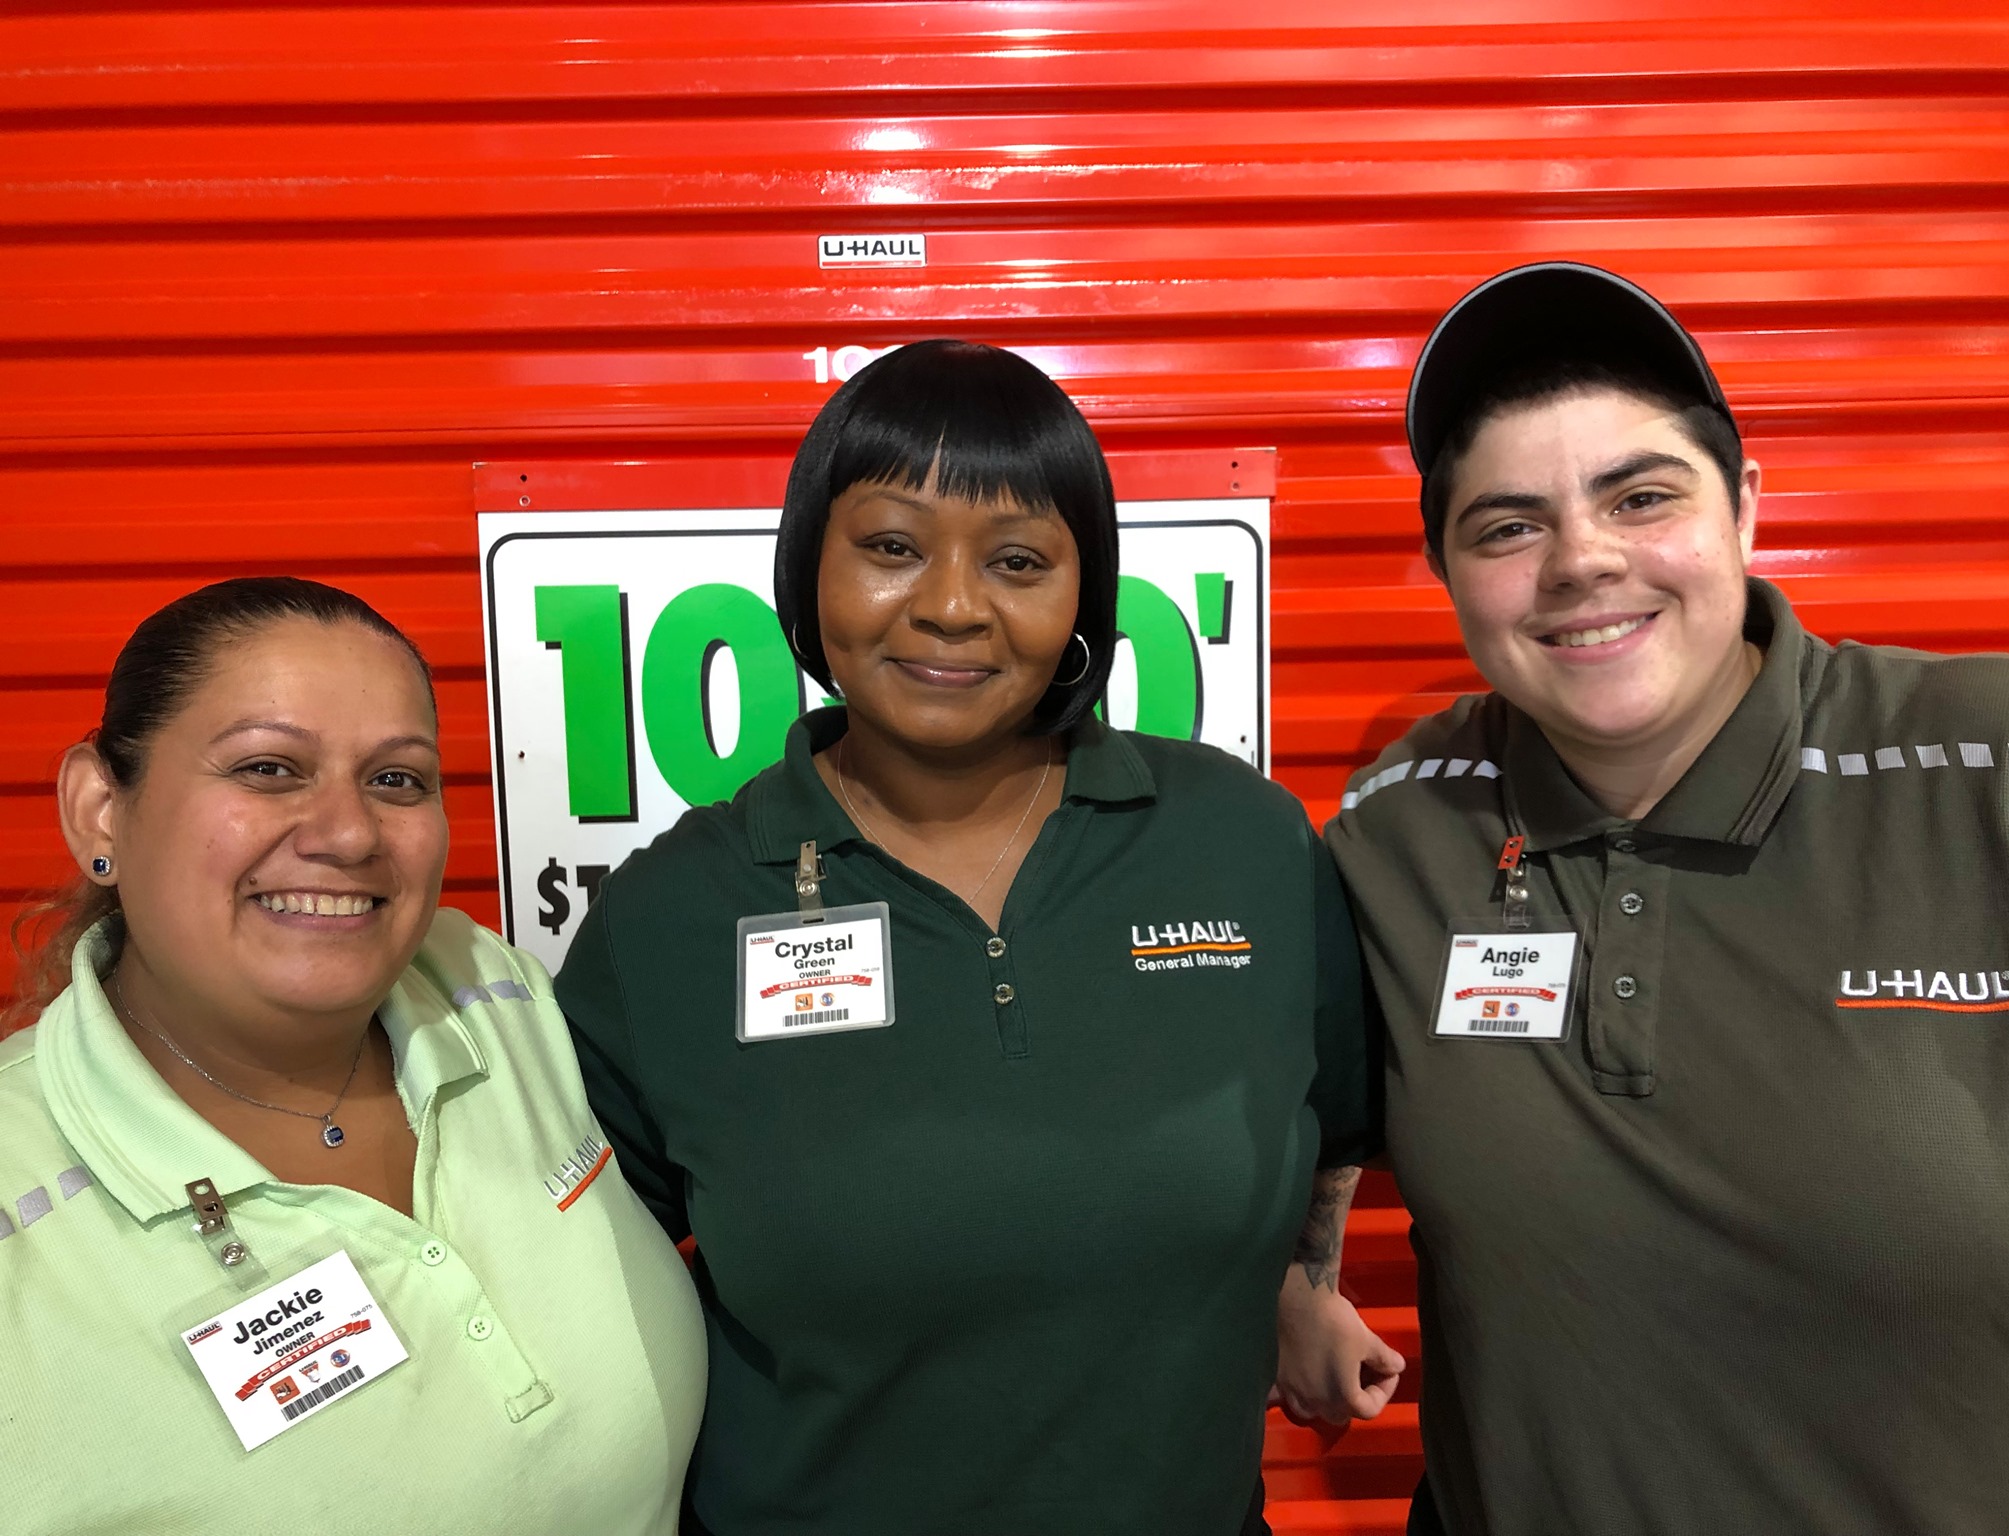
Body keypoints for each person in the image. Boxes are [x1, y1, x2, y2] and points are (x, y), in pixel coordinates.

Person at [556, 339, 1392, 1536]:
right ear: (807, 568)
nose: (950, 606)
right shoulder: (670, 916)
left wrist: (1303, 1288)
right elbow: (584, 1279)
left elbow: (1330, 1118)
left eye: (1016, 561)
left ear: (1083, 596)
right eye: (891, 547)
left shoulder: (1240, 840)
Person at [1289, 263, 2009, 1534]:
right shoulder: (1403, 819)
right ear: (1444, 568)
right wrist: (1298, 1283)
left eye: (1639, 497)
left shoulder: (2005, 770)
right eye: (1507, 526)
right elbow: (1310, 1085)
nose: (1581, 560)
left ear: (1742, 506)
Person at [0, 577, 706, 1532]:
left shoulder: (491, 992)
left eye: (396, 779)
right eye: (268, 769)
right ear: (100, 810)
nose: (347, 832)